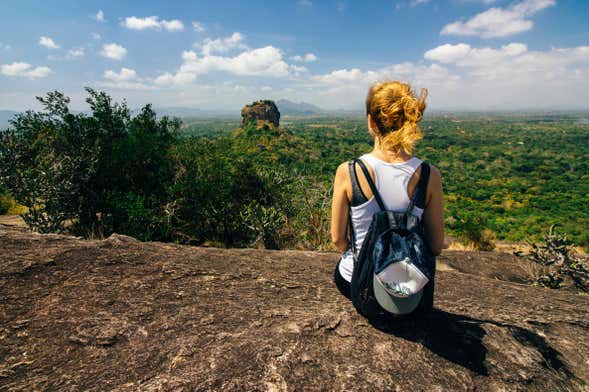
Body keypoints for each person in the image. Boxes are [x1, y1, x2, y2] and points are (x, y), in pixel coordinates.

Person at [330, 81, 444, 316]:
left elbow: (338, 239)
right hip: (409, 290)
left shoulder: (350, 171)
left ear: (371, 122)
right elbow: (435, 246)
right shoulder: (429, 175)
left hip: (358, 284)